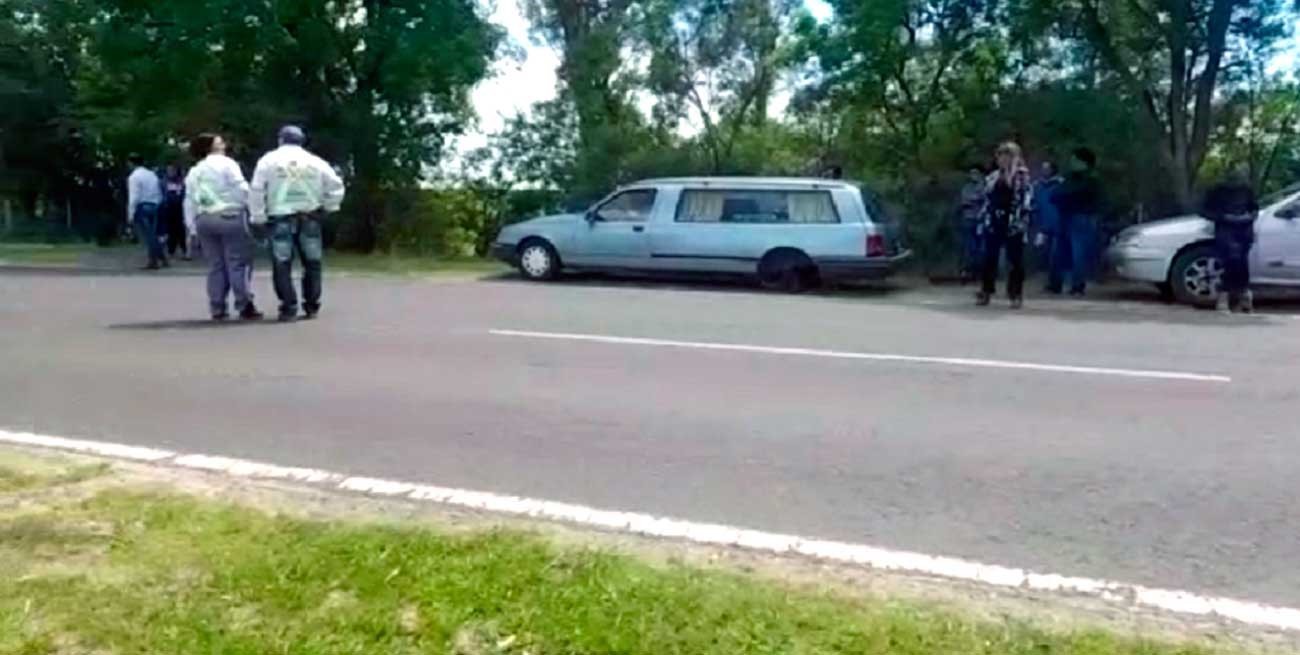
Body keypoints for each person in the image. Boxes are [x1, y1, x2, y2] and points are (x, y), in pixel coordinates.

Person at [249, 125, 346, 322]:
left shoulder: (268, 160)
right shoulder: (316, 162)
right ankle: (311, 305)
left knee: (281, 263)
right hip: (309, 216)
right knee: (312, 263)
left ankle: (288, 307)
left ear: (280, 139)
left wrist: (257, 216)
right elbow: (336, 186)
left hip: (279, 217)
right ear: (302, 141)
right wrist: (329, 207)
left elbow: (257, 189)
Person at [184, 133, 262, 321]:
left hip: (204, 218)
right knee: (237, 263)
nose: (224, 144)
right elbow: (241, 187)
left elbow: (189, 200)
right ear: (212, 146)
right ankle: (244, 304)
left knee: (215, 265)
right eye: (220, 142)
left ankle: (217, 307)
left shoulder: (194, 171)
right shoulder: (227, 164)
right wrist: (253, 208)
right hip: (230, 215)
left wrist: (191, 227)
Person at [977, 142, 1034, 309]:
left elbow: (1026, 199)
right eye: (1000, 155)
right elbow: (986, 199)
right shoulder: (993, 176)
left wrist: (1022, 221)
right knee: (989, 258)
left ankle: (1015, 294)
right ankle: (986, 291)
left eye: (1007, 155)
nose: (1002, 158)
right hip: (994, 220)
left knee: (1015, 260)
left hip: (1014, 222)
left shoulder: (1021, 176)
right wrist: (984, 219)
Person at [1201, 166, 1260, 314]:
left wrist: (1249, 217)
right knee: (1230, 262)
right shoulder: (1217, 191)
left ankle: (1244, 298)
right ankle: (1224, 297)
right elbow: (1205, 211)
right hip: (1225, 229)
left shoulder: (1247, 190)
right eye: (1234, 174)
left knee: (1242, 264)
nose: (1237, 176)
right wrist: (1223, 217)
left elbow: (1254, 209)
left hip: (1244, 229)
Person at [1048, 148, 1102, 296]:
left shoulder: (1091, 178)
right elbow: (1055, 194)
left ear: (1083, 162)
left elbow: (1072, 193)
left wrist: (1065, 194)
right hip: (1065, 216)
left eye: (1075, 160)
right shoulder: (1069, 177)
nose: (1071, 162)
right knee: (1057, 250)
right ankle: (1055, 284)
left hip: (1082, 217)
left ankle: (1077, 286)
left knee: (1078, 252)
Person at [126, 155, 167, 270]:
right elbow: (159, 191)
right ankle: (161, 258)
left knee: (148, 236)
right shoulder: (151, 174)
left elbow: (133, 197)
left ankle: (153, 261)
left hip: (142, 206)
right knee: (153, 234)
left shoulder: (134, 177)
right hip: (154, 205)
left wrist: (130, 214)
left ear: (131, 163)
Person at [1032, 161, 1063, 276]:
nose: (1044, 171)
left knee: (1055, 254)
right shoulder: (1037, 185)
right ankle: (1047, 278)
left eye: (1047, 168)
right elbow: (1034, 203)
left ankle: (1056, 281)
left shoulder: (1060, 184)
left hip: (1057, 224)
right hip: (1042, 225)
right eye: (1043, 168)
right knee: (1043, 252)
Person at [957, 166, 986, 281]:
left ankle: (980, 271)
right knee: (969, 246)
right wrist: (975, 199)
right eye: (971, 173)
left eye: (975, 173)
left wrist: (973, 200)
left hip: (980, 220)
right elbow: (964, 201)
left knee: (981, 247)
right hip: (968, 219)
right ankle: (969, 271)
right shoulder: (966, 187)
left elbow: (984, 199)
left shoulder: (984, 186)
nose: (973, 176)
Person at [161, 165, 189, 261]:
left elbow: (184, 192)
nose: (171, 172)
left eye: (173, 170)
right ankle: (171, 250)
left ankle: (184, 250)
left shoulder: (181, 181)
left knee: (180, 230)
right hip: (168, 208)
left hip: (180, 207)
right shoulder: (164, 181)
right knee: (170, 230)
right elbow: (162, 193)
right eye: (169, 170)